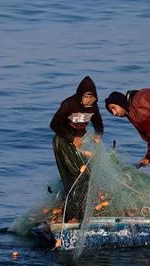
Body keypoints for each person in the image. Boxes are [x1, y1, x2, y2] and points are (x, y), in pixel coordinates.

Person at [50, 76, 104, 221]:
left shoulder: (93, 107)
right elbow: (54, 124)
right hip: (63, 142)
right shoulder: (69, 104)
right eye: (85, 96)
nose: (87, 100)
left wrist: (98, 134)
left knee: (87, 176)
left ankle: (81, 213)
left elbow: (98, 122)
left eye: (90, 97)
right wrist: (71, 138)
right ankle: (71, 216)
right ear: (80, 95)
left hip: (82, 143)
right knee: (75, 178)